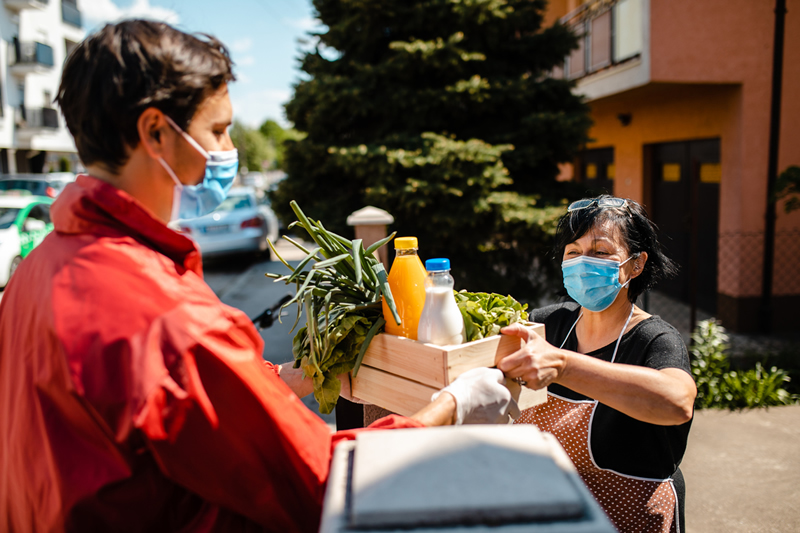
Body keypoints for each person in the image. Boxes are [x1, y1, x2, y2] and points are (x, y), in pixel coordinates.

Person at [0, 20, 514, 533]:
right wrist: (449, 407)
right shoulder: (170, 317)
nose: (229, 148)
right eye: (218, 129)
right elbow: (323, 485)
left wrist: (291, 377)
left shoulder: (37, 270)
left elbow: (167, 408)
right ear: (155, 131)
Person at [498, 195, 697, 533]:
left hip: (631, 517)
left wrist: (564, 365)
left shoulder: (655, 339)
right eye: (573, 252)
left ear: (635, 264)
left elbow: (677, 402)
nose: (582, 263)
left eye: (601, 252)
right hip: (550, 510)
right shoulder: (546, 325)